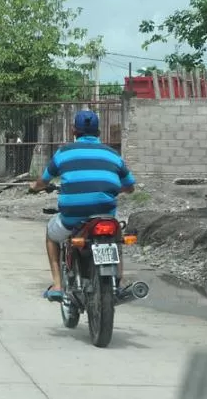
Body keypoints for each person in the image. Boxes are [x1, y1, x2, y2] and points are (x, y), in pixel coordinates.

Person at [28, 109, 136, 301]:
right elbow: (129, 186)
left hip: (73, 217)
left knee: (51, 236)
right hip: (105, 215)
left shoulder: (63, 153)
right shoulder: (113, 155)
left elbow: (43, 181)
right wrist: (112, 190)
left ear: (73, 131)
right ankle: (117, 282)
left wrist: (34, 187)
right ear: (98, 132)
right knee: (115, 239)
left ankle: (58, 284)